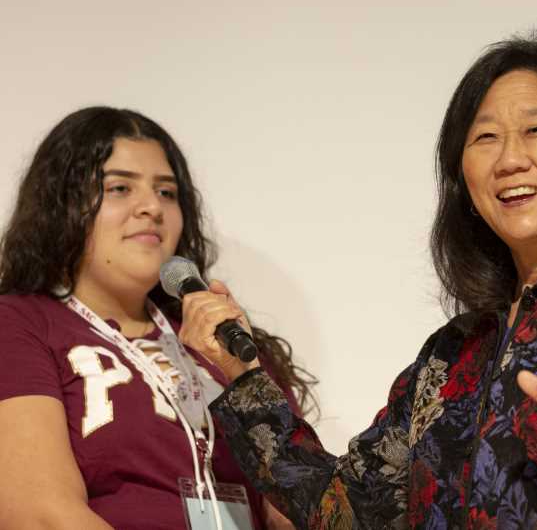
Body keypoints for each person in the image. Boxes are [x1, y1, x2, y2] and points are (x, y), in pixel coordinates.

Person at [181, 32, 537, 529]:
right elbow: (346, 510)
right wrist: (244, 375)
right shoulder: (453, 352)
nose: (509, 159)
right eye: (484, 138)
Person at [0, 107, 314, 530]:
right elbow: (40, 514)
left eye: (167, 193)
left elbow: (304, 510)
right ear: (63, 204)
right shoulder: (21, 323)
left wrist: (247, 376)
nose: (151, 206)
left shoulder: (221, 339)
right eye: (119, 188)